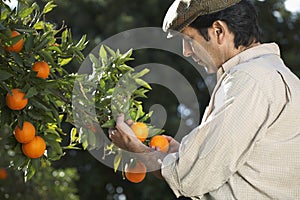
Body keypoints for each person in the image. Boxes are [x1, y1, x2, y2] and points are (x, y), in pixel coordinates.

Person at [109, 0, 300, 199]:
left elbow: (188, 179)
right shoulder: (272, 75)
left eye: (189, 40)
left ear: (218, 31)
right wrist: (186, 152)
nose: (186, 51)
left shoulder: (248, 80)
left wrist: (136, 148)